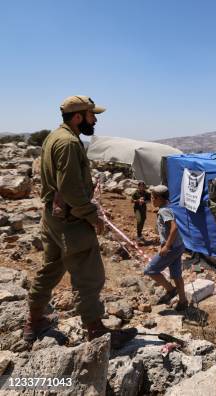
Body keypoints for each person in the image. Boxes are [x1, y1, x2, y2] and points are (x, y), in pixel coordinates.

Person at [25, 95, 136, 348]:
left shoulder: (54, 137)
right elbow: (71, 188)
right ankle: (96, 331)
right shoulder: (69, 143)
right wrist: (92, 215)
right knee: (88, 275)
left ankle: (34, 320)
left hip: (53, 218)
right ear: (78, 117)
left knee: (50, 269)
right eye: (91, 115)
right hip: (72, 222)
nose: (94, 119)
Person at [143, 185, 188, 311]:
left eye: (153, 197)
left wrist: (166, 246)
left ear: (160, 198)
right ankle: (183, 301)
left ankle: (170, 289)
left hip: (172, 248)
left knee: (150, 270)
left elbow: (174, 227)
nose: (151, 200)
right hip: (178, 246)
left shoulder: (164, 210)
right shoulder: (165, 209)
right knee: (176, 275)